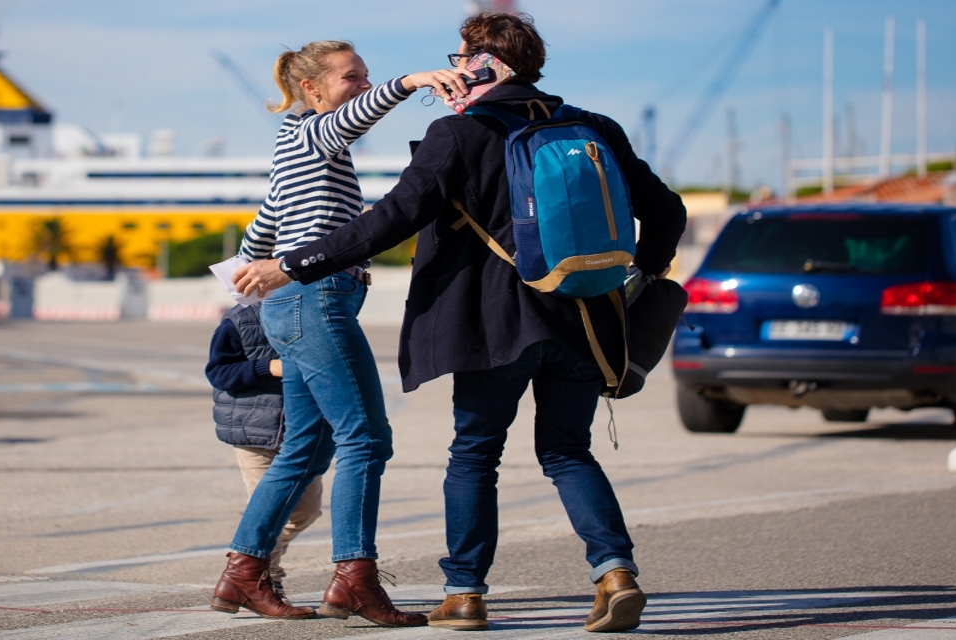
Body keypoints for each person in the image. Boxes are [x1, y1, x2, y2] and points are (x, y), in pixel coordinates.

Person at [232, 13, 688, 634]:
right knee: (567, 450)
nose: (451, 71)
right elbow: (666, 210)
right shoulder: (593, 128)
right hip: (583, 317)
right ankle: (614, 573)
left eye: (460, 58)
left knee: (475, 454)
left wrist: (296, 263)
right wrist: (646, 276)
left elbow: (391, 218)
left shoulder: (458, 134)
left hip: (492, 325)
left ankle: (465, 593)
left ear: (484, 65)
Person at [210, 40, 474, 627]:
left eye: (367, 77)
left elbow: (265, 223)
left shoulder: (296, 149)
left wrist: (246, 275)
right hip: (315, 299)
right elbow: (352, 119)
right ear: (314, 89)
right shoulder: (312, 133)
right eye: (351, 77)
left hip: (297, 302)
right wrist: (407, 82)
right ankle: (354, 579)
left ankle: (242, 575)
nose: (361, 85)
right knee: (365, 439)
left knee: (305, 448)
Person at [204, 303, 322, 599]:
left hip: (303, 432)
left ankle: (243, 557)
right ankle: (262, 576)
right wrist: (268, 366)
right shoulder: (240, 319)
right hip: (255, 433)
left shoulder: (315, 311)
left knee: (306, 511)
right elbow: (219, 371)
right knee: (270, 510)